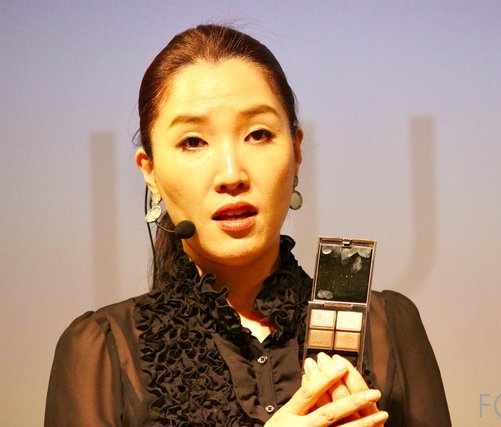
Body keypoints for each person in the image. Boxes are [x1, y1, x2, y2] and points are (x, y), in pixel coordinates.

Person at [45, 24, 451, 426]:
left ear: (296, 151)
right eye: (193, 142)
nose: (231, 174)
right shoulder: (101, 353)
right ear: (150, 172)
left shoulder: (387, 328)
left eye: (258, 134)